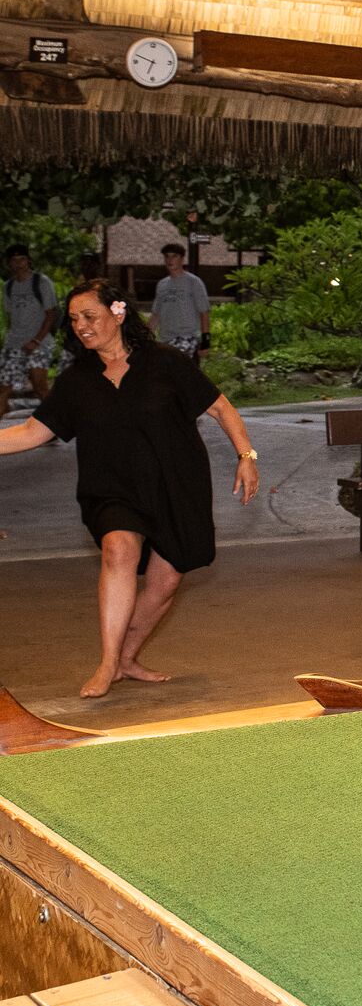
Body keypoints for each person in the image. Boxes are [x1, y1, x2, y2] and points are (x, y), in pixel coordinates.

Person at [0, 280, 259, 698]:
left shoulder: (165, 362)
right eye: (74, 320)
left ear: (117, 313)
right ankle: (107, 664)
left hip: (176, 483)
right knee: (118, 549)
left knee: (166, 582)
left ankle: (126, 658)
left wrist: (247, 456)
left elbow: (219, 406)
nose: (81, 327)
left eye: (90, 316)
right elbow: (32, 432)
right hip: (111, 488)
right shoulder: (77, 380)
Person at [1, 245, 58, 418]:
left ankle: (56, 423)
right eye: (14, 260)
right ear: (9, 263)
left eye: (22, 259)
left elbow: (51, 315)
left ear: (28, 261)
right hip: (15, 343)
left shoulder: (41, 282)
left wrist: (36, 341)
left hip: (39, 343)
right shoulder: (9, 286)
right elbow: (12, 317)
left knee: (39, 386)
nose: (19, 264)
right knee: (3, 388)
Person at [149, 243, 211, 359]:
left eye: (174, 256)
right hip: (165, 339)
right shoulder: (162, 284)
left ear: (182, 259)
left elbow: (204, 312)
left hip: (187, 337)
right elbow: (156, 315)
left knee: (181, 371)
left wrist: (206, 341)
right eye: (167, 256)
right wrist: (143, 336)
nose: (170, 260)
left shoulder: (193, 282)